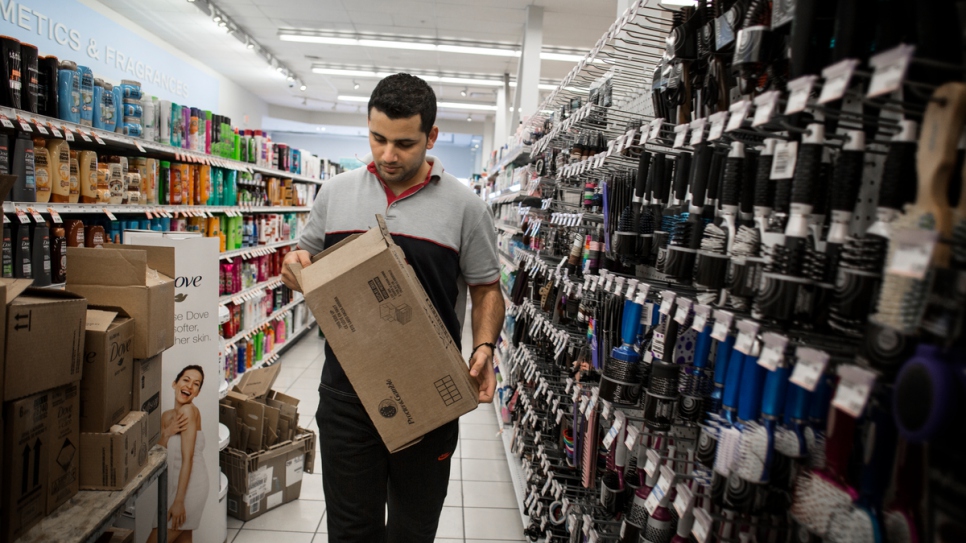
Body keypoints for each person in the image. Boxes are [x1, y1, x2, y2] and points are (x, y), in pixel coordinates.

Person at [281, 73, 505, 543]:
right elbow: (302, 257)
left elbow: (486, 289)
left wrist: (484, 346)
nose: (387, 155)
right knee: (350, 531)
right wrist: (295, 264)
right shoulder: (335, 193)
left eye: (404, 143)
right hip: (346, 396)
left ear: (432, 137)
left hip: (430, 395)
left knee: (412, 531)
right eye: (377, 138)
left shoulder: (466, 207)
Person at [148, 365, 210, 543]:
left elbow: (188, 459)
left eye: (196, 384)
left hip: (191, 487)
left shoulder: (188, 411)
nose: (190, 386)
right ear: (174, 383)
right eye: (186, 380)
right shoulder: (167, 416)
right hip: (174, 485)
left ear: (197, 393)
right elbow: (158, 456)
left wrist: (179, 501)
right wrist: (167, 433)